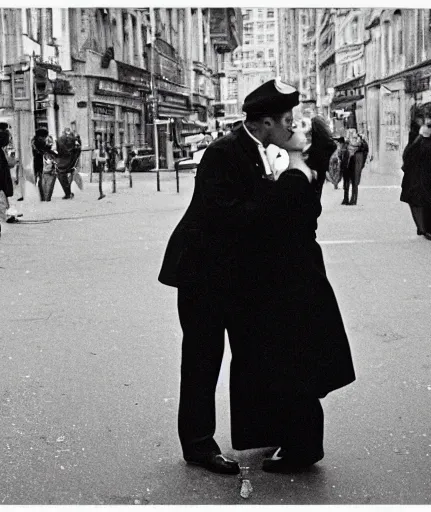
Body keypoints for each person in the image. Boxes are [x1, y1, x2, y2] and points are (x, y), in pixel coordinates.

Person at [157, 79, 299, 475]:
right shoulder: (223, 152)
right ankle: (198, 446)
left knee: (253, 351)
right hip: (203, 275)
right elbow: (230, 214)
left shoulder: (258, 150)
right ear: (266, 121)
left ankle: (258, 430)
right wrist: (282, 195)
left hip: (234, 275)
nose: (291, 126)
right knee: (203, 360)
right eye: (286, 120)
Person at [230, 116, 356, 473]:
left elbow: (271, 227)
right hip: (303, 275)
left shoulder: (296, 178)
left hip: (294, 279)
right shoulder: (301, 171)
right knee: (298, 358)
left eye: (298, 127)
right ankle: (298, 441)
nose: (291, 128)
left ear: (308, 144)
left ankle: (303, 448)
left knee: (295, 360)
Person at [401, 124, 431, 241]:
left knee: (418, 205)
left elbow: (406, 159)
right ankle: (428, 231)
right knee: (428, 207)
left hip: (416, 182)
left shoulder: (416, 145)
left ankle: (423, 228)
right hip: (429, 182)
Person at [55, 128, 82, 200]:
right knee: (69, 175)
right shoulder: (74, 138)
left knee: (61, 175)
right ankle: (68, 193)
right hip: (71, 161)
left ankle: (68, 193)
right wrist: (75, 157)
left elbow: (58, 150)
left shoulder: (58, 139)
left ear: (63, 132)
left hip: (62, 162)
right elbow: (78, 148)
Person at [344, 134, 369, 205]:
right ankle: (349, 199)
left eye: (355, 138)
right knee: (351, 182)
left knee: (355, 183)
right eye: (353, 138)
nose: (354, 140)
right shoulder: (349, 146)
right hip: (350, 166)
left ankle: (353, 200)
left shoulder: (361, 147)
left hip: (355, 166)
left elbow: (365, 150)